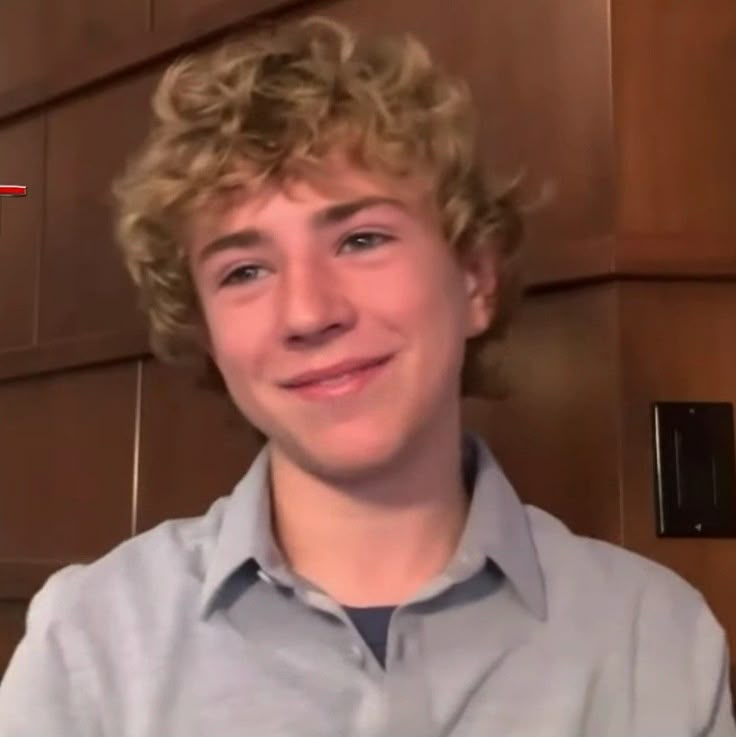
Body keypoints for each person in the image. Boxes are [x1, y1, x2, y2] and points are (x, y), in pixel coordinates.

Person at [0, 15, 734, 737]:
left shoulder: (654, 640)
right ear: (209, 335)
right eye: (245, 269)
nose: (309, 311)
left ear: (475, 281)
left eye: (361, 238)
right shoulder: (90, 644)